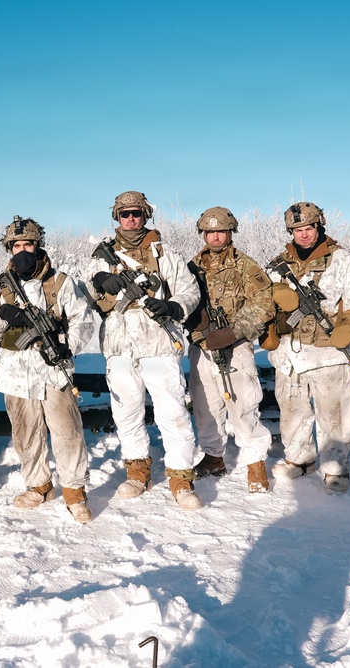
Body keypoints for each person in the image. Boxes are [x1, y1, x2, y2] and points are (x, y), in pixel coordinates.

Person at [85, 190, 201, 509]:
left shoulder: (164, 253)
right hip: (120, 346)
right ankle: (138, 472)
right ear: (116, 217)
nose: (131, 219)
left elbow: (189, 289)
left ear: (145, 214)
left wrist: (173, 307)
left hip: (159, 342)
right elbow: (84, 290)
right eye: (124, 214)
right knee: (127, 413)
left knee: (173, 412)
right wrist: (101, 280)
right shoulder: (103, 254)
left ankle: (180, 476)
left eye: (136, 213)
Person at [0, 216, 96, 523]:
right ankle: (39, 485)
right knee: (25, 434)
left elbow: (83, 321)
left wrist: (67, 345)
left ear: (38, 246)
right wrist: (8, 315)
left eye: (28, 244)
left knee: (67, 432)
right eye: (16, 245)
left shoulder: (60, 282)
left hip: (53, 371)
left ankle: (74, 490)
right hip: (16, 373)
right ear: (9, 248)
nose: (22, 250)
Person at [263, 202, 350, 494]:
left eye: (309, 228)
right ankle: (300, 459)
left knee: (334, 414)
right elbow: (262, 300)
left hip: (328, 351)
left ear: (319, 227)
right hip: (289, 353)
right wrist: (275, 295)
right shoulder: (278, 264)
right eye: (297, 229)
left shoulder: (341, 260)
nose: (304, 234)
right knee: (292, 411)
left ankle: (336, 468)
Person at [184, 207, 276, 492]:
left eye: (220, 231)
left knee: (243, 404)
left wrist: (234, 331)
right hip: (201, 346)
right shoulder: (191, 267)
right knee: (205, 406)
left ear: (229, 233)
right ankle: (213, 457)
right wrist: (197, 329)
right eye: (210, 232)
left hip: (235, 345)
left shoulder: (245, 265)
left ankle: (255, 463)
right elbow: (182, 300)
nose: (215, 237)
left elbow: (264, 303)